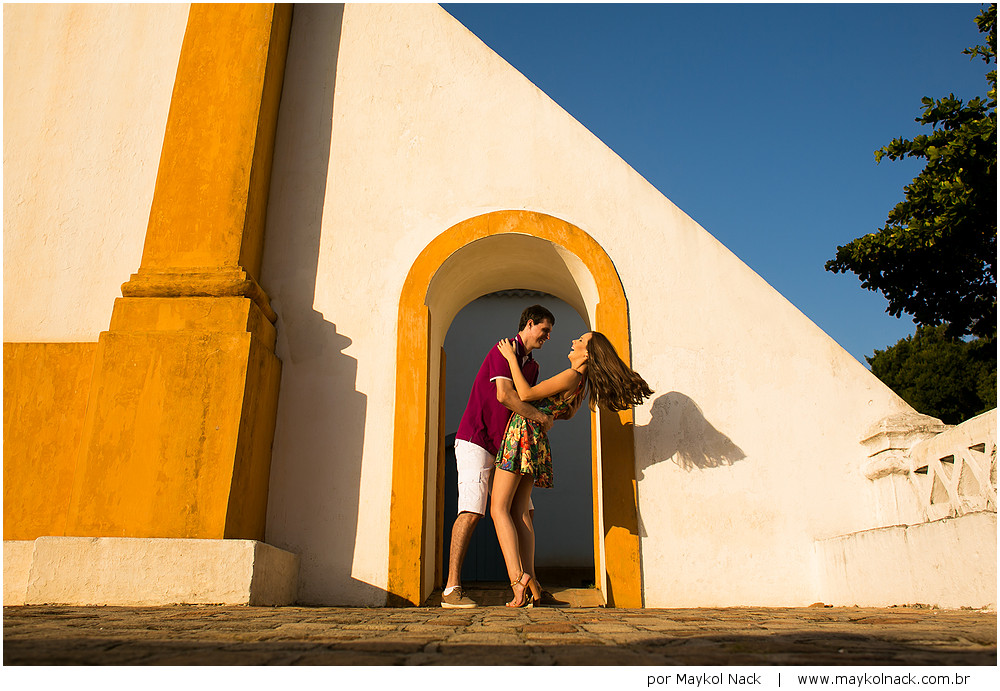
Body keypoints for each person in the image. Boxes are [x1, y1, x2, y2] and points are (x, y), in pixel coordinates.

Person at [492, 330, 653, 607]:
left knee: (498, 508)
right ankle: (533, 584)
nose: (573, 341)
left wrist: (510, 359)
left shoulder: (571, 376)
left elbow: (525, 393)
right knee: (521, 511)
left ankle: (518, 580)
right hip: (536, 438)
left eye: (580, 341)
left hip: (522, 433)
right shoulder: (580, 384)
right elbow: (566, 413)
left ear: (587, 353)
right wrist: (547, 414)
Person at [440, 305, 556, 609]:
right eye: (545, 330)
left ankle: (529, 583)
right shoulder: (502, 351)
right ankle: (452, 589)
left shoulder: (531, 367)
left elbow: (526, 398)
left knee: (524, 511)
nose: (548, 337)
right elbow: (505, 395)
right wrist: (540, 418)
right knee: (471, 510)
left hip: (507, 448)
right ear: (530, 324)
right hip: (476, 440)